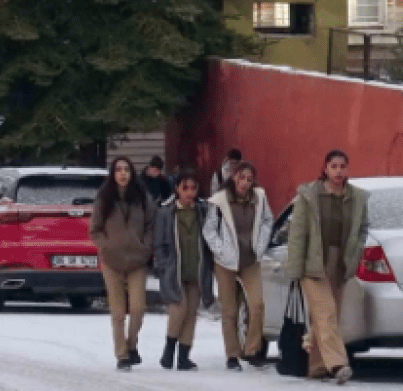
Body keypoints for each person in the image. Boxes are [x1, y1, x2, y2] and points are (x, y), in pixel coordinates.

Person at [284, 149, 370, 385]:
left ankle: (318, 367)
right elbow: (298, 234)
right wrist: (295, 269)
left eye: (343, 166)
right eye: (334, 166)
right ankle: (338, 363)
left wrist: (355, 255)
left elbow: (362, 229)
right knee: (327, 313)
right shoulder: (309, 196)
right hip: (313, 263)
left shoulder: (356, 198)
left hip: (339, 262)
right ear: (324, 169)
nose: (339, 171)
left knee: (327, 317)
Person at [203, 161, 274, 371]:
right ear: (234, 177)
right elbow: (209, 230)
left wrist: (260, 246)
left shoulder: (259, 198)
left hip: (250, 259)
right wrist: (221, 250)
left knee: (257, 305)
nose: (244, 183)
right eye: (241, 178)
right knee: (230, 310)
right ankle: (232, 354)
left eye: (249, 179)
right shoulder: (219, 201)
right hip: (225, 262)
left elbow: (268, 221)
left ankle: (252, 350)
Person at [89, 157, 156, 371]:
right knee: (118, 313)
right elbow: (95, 230)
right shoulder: (104, 198)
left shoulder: (143, 198)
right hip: (112, 261)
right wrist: (105, 247)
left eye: (126, 169)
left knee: (137, 309)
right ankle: (122, 354)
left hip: (137, 261)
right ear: (113, 174)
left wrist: (145, 247)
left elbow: (150, 226)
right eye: (118, 170)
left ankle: (132, 344)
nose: (123, 174)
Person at [153, 169, 214, 371]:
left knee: (191, 314)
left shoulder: (203, 211)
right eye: (185, 188)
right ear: (177, 189)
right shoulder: (166, 212)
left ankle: (184, 356)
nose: (189, 192)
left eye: (193, 188)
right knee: (178, 310)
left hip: (196, 271)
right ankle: (168, 350)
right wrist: (162, 265)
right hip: (174, 272)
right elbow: (159, 244)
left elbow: (210, 239)